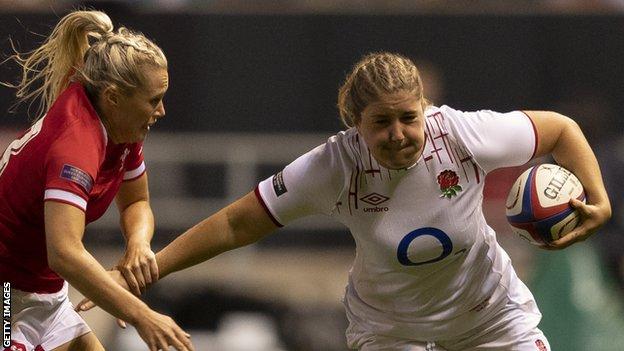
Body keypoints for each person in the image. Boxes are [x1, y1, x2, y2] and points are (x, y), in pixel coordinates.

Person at [87, 52, 610, 350]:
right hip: (390, 331)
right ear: (355, 127)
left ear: (425, 108)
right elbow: (235, 225)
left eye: (409, 116)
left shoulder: (464, 135)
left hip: (490, 316)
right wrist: (149, 270)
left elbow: (561, 130)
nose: (400, 134)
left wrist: (600, 202)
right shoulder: (333, 167)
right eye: (381, 122)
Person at [0, 10, 194, 351]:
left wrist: (138, 243)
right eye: (154, 100)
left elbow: (136, 202)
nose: (161, 111)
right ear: (115, 97)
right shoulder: (76, 145)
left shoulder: (122, 125)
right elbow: (65, 253)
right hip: (5, 296)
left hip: (46, 292)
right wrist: (141, 315)